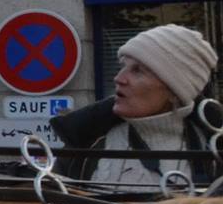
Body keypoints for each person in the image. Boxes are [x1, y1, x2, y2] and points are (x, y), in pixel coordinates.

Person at [54, 24, 217, 188]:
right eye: (123, 67)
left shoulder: (214, 151)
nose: (119, 78)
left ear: (175, 92)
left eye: (138, 70)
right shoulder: (87, 142)